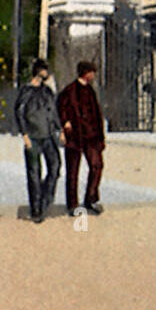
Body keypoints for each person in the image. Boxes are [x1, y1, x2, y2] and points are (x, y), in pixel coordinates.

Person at [14, 59, 64, 223]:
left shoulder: (47, 91)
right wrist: (25, 135)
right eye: (44, 70)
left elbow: (53, 112)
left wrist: (60, 129)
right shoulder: (26, 91)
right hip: (33, 137)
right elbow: (19, 113)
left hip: (48, 136)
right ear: (37, 71)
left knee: (55, 167)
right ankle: (36, 209)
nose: (46, 72)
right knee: (34, 174)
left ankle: (45, 199)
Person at [57, 61, 106, 215]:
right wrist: (65, 124)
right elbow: (61, 108)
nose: (93, 75)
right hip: (75, 137)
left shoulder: (90, 91)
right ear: (84, 73)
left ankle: (90, 199)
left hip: (91, 137)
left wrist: (100, 137)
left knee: (97, 165)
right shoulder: (69, 90)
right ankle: (72, 205)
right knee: (73, 171)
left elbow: (97, 114)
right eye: (91, 72)